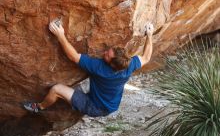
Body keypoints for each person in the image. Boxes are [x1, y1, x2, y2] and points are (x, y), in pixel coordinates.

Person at [24, 20, 154, 117]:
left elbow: (73, 56)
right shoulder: (129, 64)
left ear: (112, 64)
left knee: (56, 89)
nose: (104, 53)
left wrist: (60, 35)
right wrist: (150, 34)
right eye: (108, 51)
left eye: (107, 56)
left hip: (95, 107)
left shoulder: (100, 68)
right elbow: (146, 57)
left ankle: (39, 107)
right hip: (112, 105)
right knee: (75, 89)